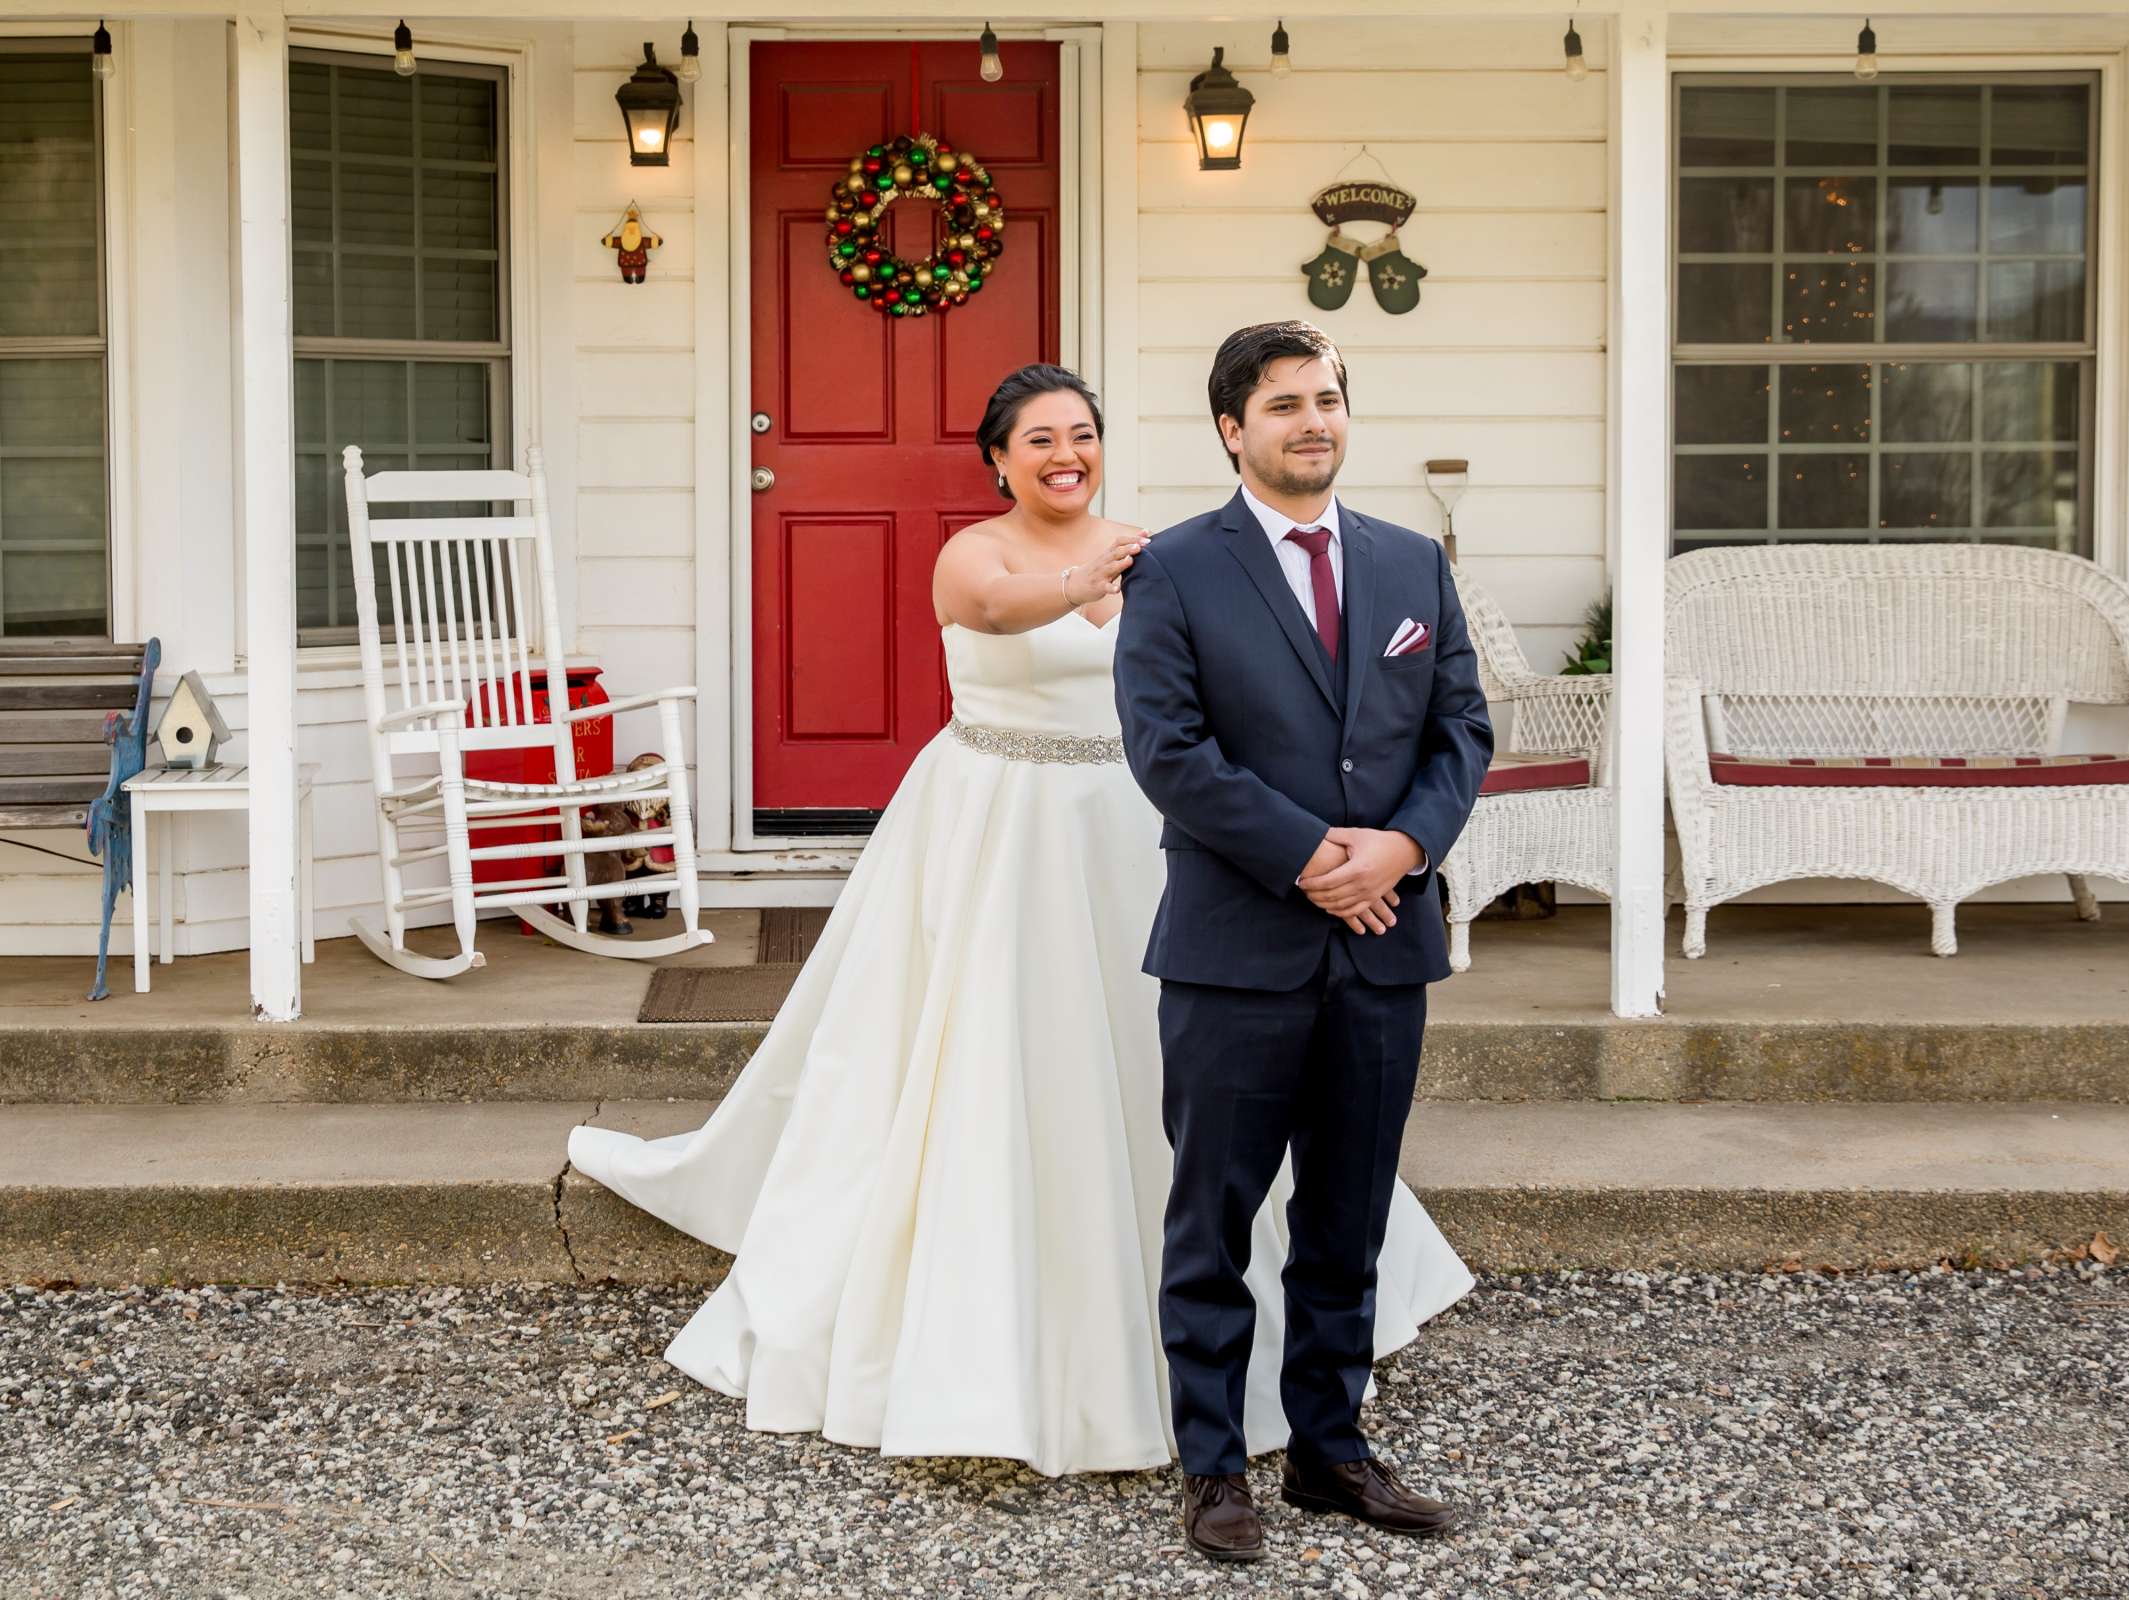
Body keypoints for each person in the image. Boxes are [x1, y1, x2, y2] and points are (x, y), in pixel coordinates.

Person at [567, 362, 1472, 1481]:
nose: (1065, 454)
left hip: (1136, 829)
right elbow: (992, 612)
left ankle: (1276, 1376)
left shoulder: (1165, 551)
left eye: (1082, 434)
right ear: (998, 457)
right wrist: (1093, 576)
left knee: (1168, 1069)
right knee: (998, 1053)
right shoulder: (977, 552)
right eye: (1039, 438)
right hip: (1001, 825)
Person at [1114, 322, 1493, 1560]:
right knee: (1212, 1219)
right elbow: (1169, 752)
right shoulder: (1174, 568)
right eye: (1283, 404)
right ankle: (1215, 1467)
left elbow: (1461, 730)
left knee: (1346, 1214)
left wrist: (1404, 848)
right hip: (1236, 950)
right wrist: (1318, 859)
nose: (1311, 421)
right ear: (1233, 428)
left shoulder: (1409, 564)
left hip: (1386, 945)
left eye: (1326, 399)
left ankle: (1332, 1451)